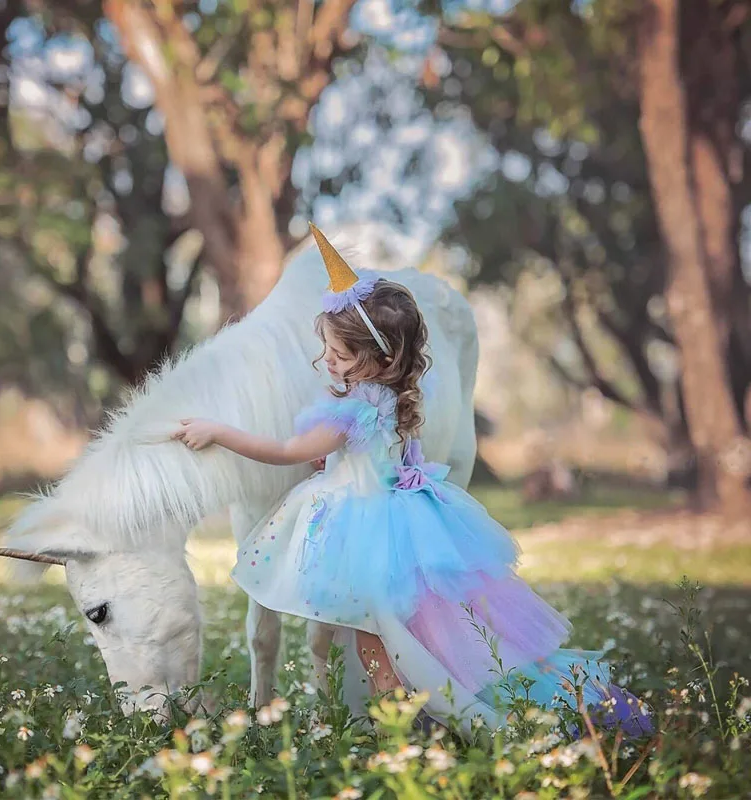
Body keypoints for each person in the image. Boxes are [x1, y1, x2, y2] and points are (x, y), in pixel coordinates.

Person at [171, 223, 653, 737]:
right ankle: (404, 716)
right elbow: (383, 457)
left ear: (379, 359)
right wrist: (337, 463)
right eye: (328, 351)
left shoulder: (350, 410)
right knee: (395, 634)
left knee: (377, 640)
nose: (327, 363)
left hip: (365, 530)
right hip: (404, 518)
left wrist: (219, 430)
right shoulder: (395, 397)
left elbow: (285, 450)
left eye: (338, 355)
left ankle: (401, 726)